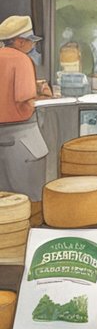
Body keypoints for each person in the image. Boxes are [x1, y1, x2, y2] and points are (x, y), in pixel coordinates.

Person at [0, 16, 51, 200]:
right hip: (23, 136)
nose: (32, 45)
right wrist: (42, 92)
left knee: (5, 200)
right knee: (29, 197)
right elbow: (23, 97)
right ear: (20, 41)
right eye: (30, 41)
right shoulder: (21, 60)